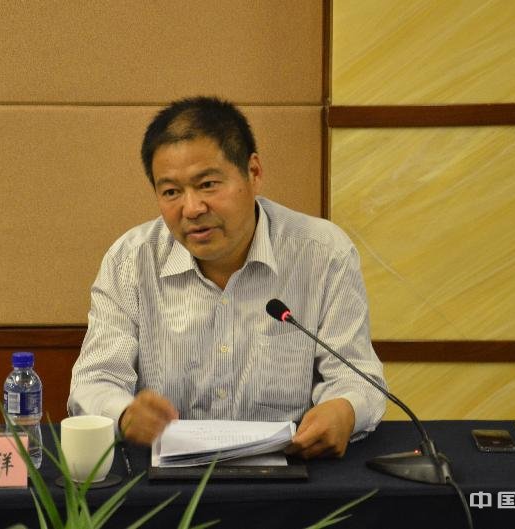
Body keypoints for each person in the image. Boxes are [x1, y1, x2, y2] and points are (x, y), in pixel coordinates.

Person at [69, 96, 386, 459]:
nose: (192, 209)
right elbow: (94, 382)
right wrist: (124, 413)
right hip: (166, 478)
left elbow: (356, 376)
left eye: (207, 184)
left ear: (254, 173)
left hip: (292, 472)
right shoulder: (130, 261)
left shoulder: (323, 253)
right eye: (171, 191)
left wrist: (344, 408)